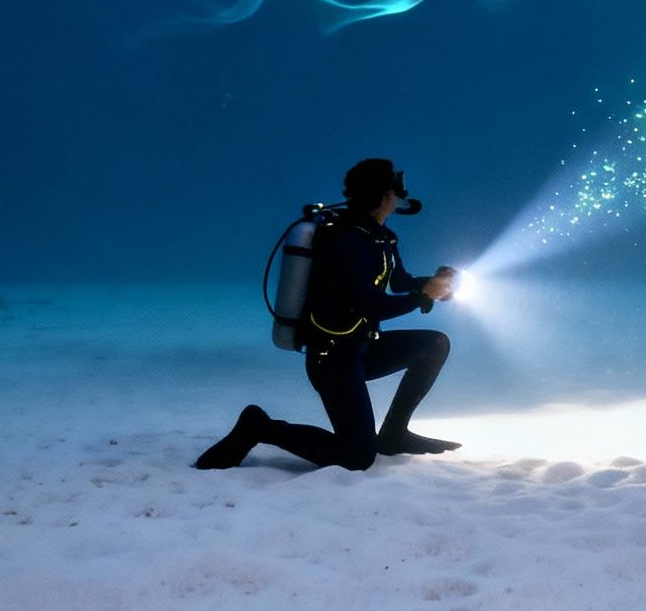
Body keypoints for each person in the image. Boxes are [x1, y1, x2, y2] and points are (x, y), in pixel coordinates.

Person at [194, 158, 461, 471]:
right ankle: (258, 426)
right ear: (383, 193)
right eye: (396, 183)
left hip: (362, 347)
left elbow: (398, 281)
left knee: (435, 344)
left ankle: (394, 435)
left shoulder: (380, 236)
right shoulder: (349, 241)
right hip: (333, 358)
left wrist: (432, 285)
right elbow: (370, 305)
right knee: (356, 457)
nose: (403, 190)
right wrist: (421, 297)